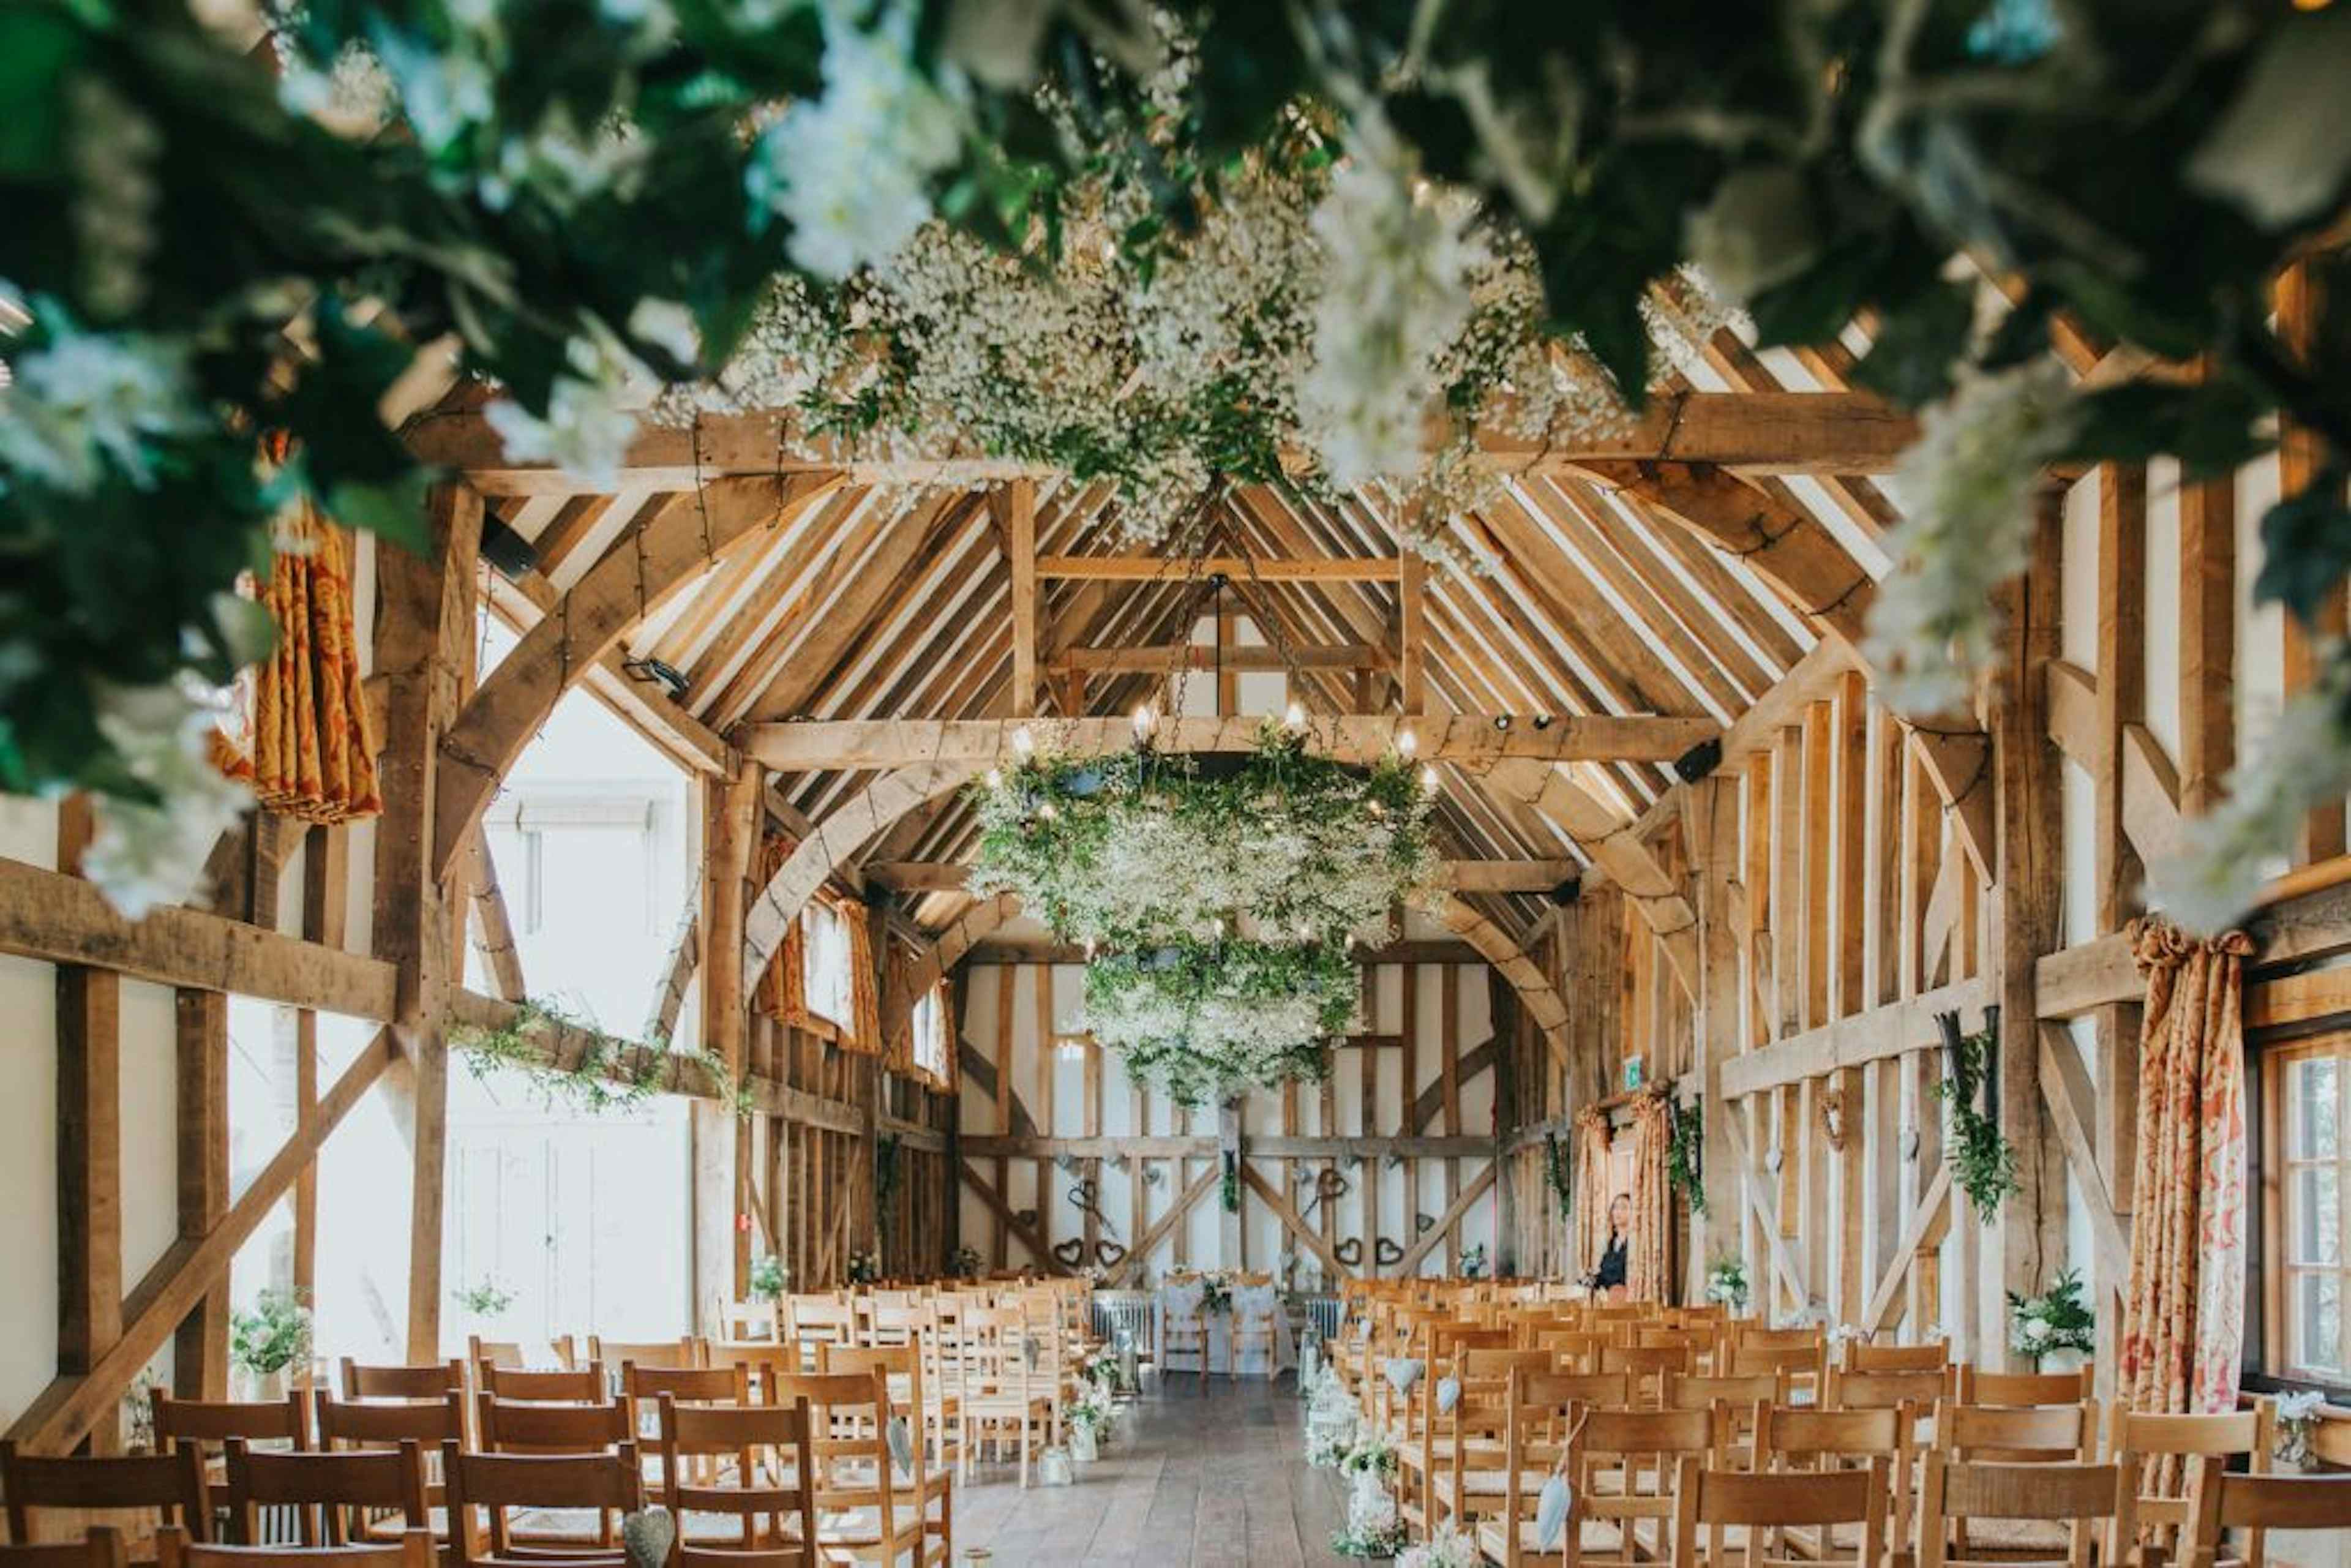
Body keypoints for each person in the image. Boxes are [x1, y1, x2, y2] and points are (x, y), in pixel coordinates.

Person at [1591, 1191, 1633, 1297]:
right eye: (1615, 1208)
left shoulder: (1634, 1243)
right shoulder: (1611, 1243)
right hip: (1608, 1299)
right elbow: (1605, 1274)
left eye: (1624, 1208)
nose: (1618, 1212)